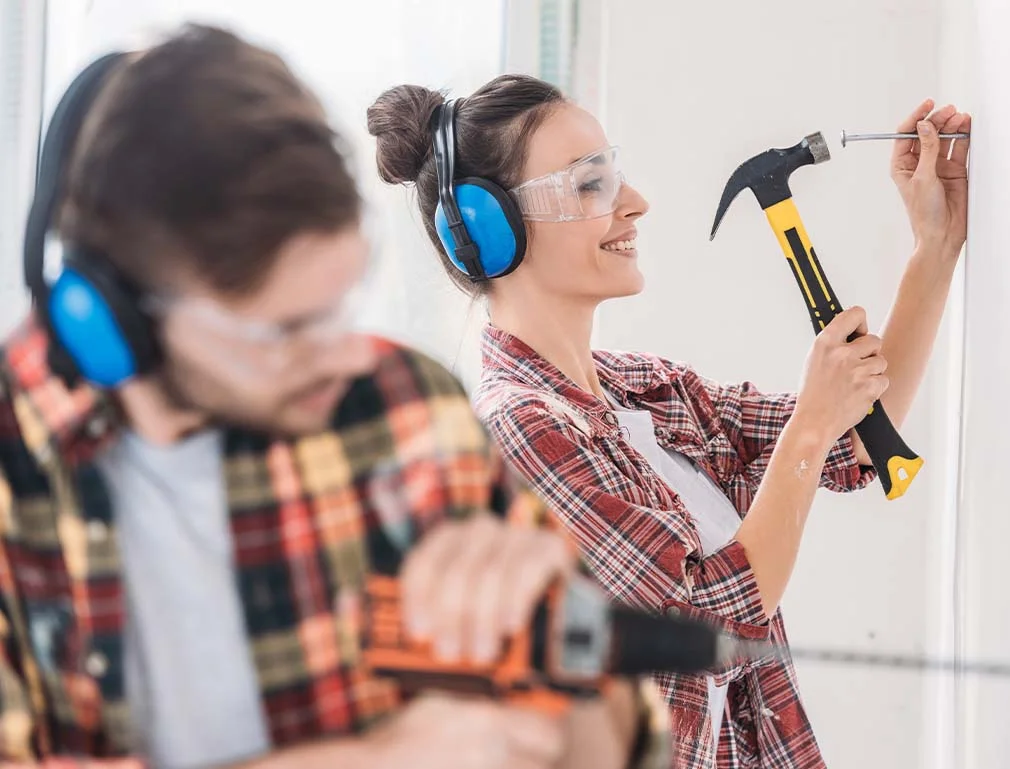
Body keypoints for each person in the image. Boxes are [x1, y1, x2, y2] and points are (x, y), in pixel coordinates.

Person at [0, 26, 671, 769]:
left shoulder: (402, 411)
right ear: (116, 321)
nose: (349, 356)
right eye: (289, 329)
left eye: (345, 300)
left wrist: (568, 679)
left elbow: (615, 750)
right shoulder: (17, 476)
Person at [366, 74, 969, 768]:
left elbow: (863, 431)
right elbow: (715, 620)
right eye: (589, 185)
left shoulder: (640, 391)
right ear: (488, 229)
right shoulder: (516, 436)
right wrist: (810, 423)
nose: (635, 203)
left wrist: (936, 242)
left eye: (613, 174)